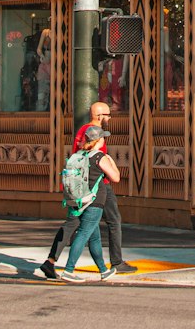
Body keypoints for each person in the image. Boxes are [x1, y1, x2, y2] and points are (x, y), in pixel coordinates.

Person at [39, 100, 135, 280]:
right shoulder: (95, 136)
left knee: (80, 227)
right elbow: (112, 174)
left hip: (79, 187)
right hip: (97, 187)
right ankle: (113, 262)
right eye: (107, 115)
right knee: (107, 223)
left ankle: (54, 261)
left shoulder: (83, 132)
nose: (110, 118)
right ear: (99, 116)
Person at [61, 126, 121, 283]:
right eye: (103, 138)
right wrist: (112, 162)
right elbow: (115, 178)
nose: (104, 140)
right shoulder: (100, 157)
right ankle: (69, 270)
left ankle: (103, 270)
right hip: (95, 202)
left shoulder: (79, 155)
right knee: (83, 234)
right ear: (98, 140)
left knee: (94, 238)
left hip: (79, 200)